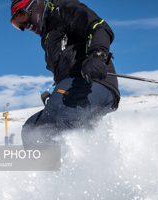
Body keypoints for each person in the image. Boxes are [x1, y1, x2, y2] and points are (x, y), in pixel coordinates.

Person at [10, 0, 120, 146]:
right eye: (18, 24)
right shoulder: (48, 37)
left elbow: (98, 27)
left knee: (52, 125)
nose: (25, 25)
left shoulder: (64, 10)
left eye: (22, 16)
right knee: (32, 129)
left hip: (92, 81)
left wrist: (97, 56)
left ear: (35, 6)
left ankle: (59, 166)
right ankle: (93, 163)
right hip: (75, 88)